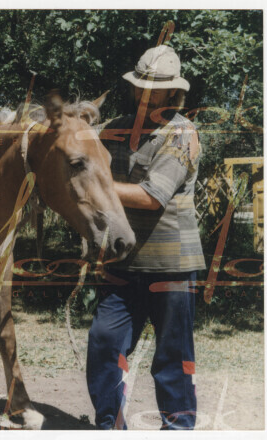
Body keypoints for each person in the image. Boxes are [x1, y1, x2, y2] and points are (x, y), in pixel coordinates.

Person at [87, 46, 205, 430]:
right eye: (142, 87)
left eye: (157, 88)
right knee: (105, 346)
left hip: (172, 265)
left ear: (174, 93)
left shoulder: (183, 133)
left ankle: (178, 429)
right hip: (123, 261)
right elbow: (79, 161)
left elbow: (152, 197)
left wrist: (94, 183)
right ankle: (110, 426)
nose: (147, 95)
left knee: (172, 359)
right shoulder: (113, 129)